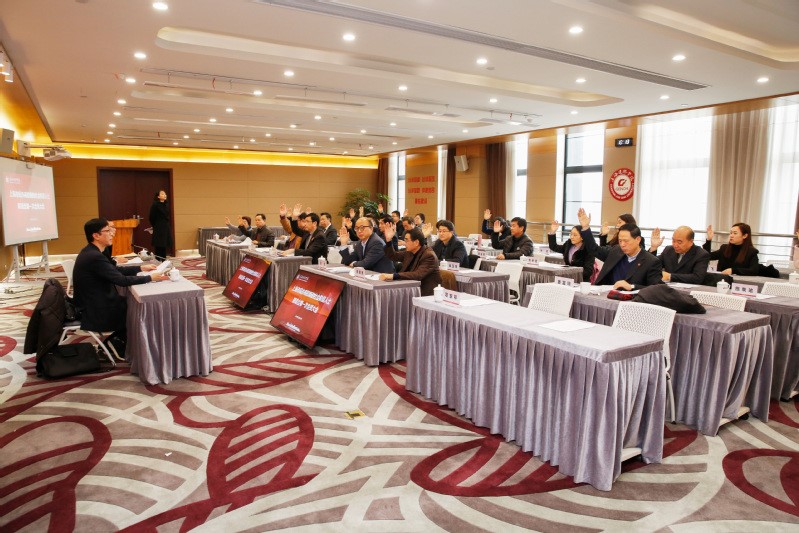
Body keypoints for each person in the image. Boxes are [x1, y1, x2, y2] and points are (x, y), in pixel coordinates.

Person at [74, 218, 167, 342]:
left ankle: (125, 342)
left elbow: (114, 270)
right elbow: (121, 280)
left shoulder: (92, 252)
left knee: (131, 302)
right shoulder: (94, 256)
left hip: (93, 303)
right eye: (108, 230)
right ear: (96, 236)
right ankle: (130, 343)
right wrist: (149, 277)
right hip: (95, 310)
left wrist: (140, 268)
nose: (112, 233)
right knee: (138, 308)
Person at [581, 209, 662, 290]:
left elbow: (656, 289)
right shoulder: (616, 251)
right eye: (620, 241)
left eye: (626, 241)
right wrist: (586, 228)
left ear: (638, 240)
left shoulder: (651, 261)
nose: (622, 244)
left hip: (632, 297)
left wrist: (632, 287)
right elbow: (594, 249)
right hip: (605, 293)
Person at [379, 225, 441, 296]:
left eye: (407, 240)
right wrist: (388, 240)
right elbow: (393, 256)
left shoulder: (429, 256)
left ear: (416, 242)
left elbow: (417, 275)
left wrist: (394, 275)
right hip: (409, 287)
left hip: (423, 291)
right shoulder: (410, 252)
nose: (404, 243)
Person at [149, 190, 172, 260]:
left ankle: (164, 260)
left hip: (165, 226)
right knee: (159, 244)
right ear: (158, 196)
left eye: (165, 194)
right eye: (162, 194)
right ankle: (158, 260)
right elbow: (151, 217)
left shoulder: (166, 204)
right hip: (158, 226)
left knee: (164, 244)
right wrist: (155, 225)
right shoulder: (155, 205)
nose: (165, 195)